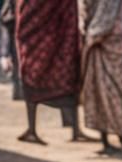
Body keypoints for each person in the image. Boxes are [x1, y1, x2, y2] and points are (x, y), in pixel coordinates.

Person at [14, 0, 91, 143]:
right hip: (50, 34)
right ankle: (72, 130)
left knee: (35, 76)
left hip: (52, 33)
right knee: (62, 74)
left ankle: (34, 129)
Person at [81, 0, 122, 150]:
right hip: (99, 43)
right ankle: (106, 137)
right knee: (100, 92)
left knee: (116, 91)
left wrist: (91, 33)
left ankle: (121, 133)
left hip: (110, 41)